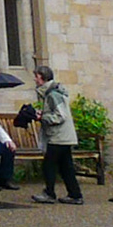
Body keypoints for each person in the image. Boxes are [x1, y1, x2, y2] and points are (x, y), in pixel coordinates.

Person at [31, 64, 85, 204]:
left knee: (49, 165)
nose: (35, 80)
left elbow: (61, 116)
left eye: (36, 77)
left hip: (58, 137)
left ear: (42, 78)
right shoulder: (55, 92)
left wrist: (42, 117)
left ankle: (49, 193)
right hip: (64, 137)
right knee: (66, 167)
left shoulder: (53, 95)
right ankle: (75, 194)